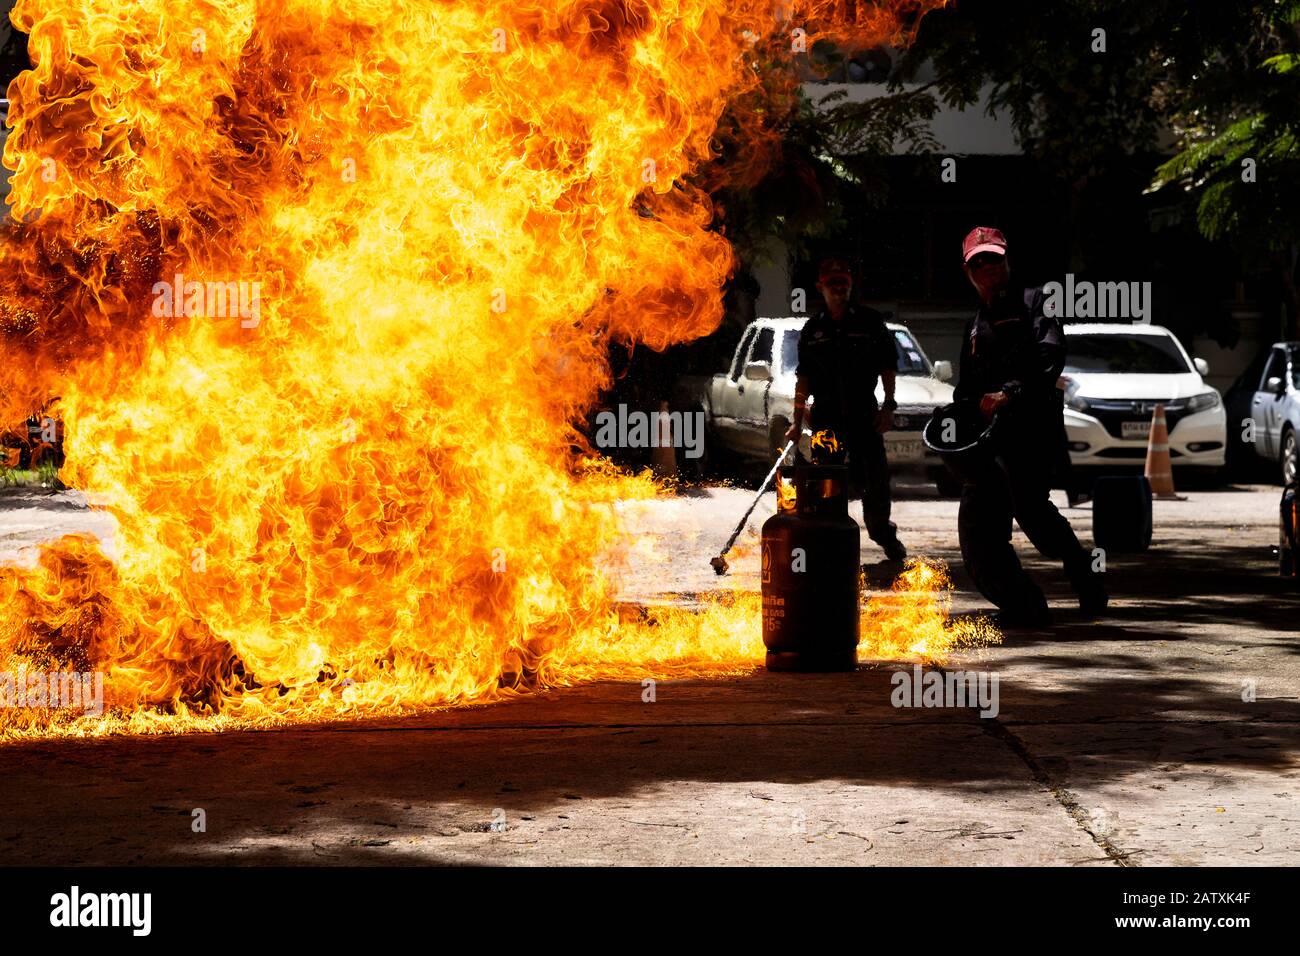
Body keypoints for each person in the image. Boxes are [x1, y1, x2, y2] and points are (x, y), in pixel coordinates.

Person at [953, 227, 1107, 627]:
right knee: (983, 525)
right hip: (990, 440)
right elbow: (967, 387)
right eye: (978, 261)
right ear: (968, 270)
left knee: (1033, 514)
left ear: (1007, 260)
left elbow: (1050, 354)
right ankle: (1022, 604)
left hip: (1030, 429)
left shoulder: (1037, 300)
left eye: (993, 258)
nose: (987, 266)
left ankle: (1085, 575)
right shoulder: (974, 324)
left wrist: (1010, 393)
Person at [785, 257, 907, 562]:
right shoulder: (813, 330)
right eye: (832, 283)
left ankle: (883, 535)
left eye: (844, 282)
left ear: (850, 285)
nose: (839, 288)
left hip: (864, 416)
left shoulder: (869, 322)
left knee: (875, 483)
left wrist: (889, 406)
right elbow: (804, 379)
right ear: (820, 287)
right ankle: (829, 543)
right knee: (825, 484)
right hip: (827, 420)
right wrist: (796, 421)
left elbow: (887, 367)